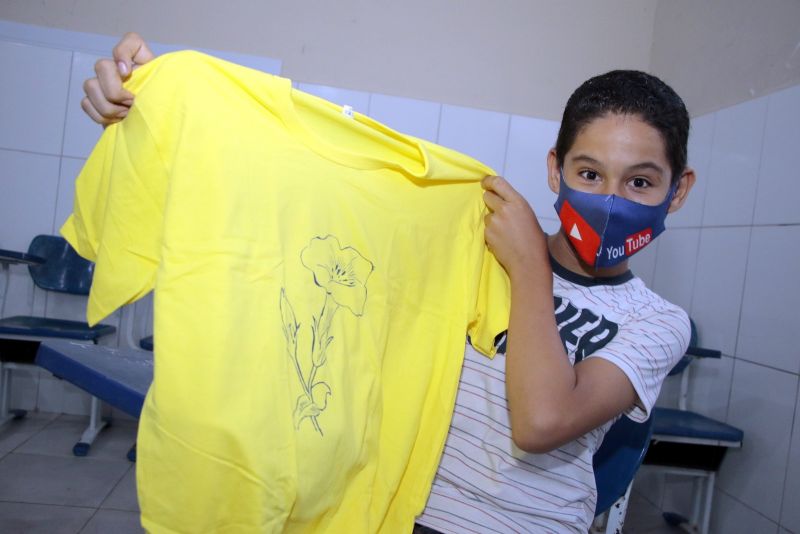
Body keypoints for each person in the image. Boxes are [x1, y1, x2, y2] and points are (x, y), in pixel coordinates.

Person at [82, 33, 695, 533]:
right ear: (555, 171)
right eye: (589, 172)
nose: (612, 200)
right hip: (398, 513)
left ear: (679, 189)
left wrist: (530, 266)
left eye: (640, 182)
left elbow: (540, 423)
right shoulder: (473, 235)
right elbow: (301, 205)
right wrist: (164, 104)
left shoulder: (658, 322)